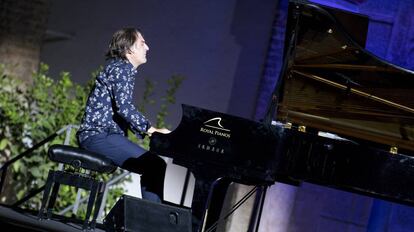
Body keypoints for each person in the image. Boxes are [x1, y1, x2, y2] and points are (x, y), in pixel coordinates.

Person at [76, 27, 170, 203]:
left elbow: (122, 108)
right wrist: (152, 130)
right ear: (129, 49)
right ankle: (152, 221)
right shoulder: (122, 69)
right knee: (155, 165)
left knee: (155, 166)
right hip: (98, 136)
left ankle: (152, 219)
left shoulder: (120, 68)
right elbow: (124, 107)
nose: (147, 47)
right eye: (143, 42)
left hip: (104, 135)